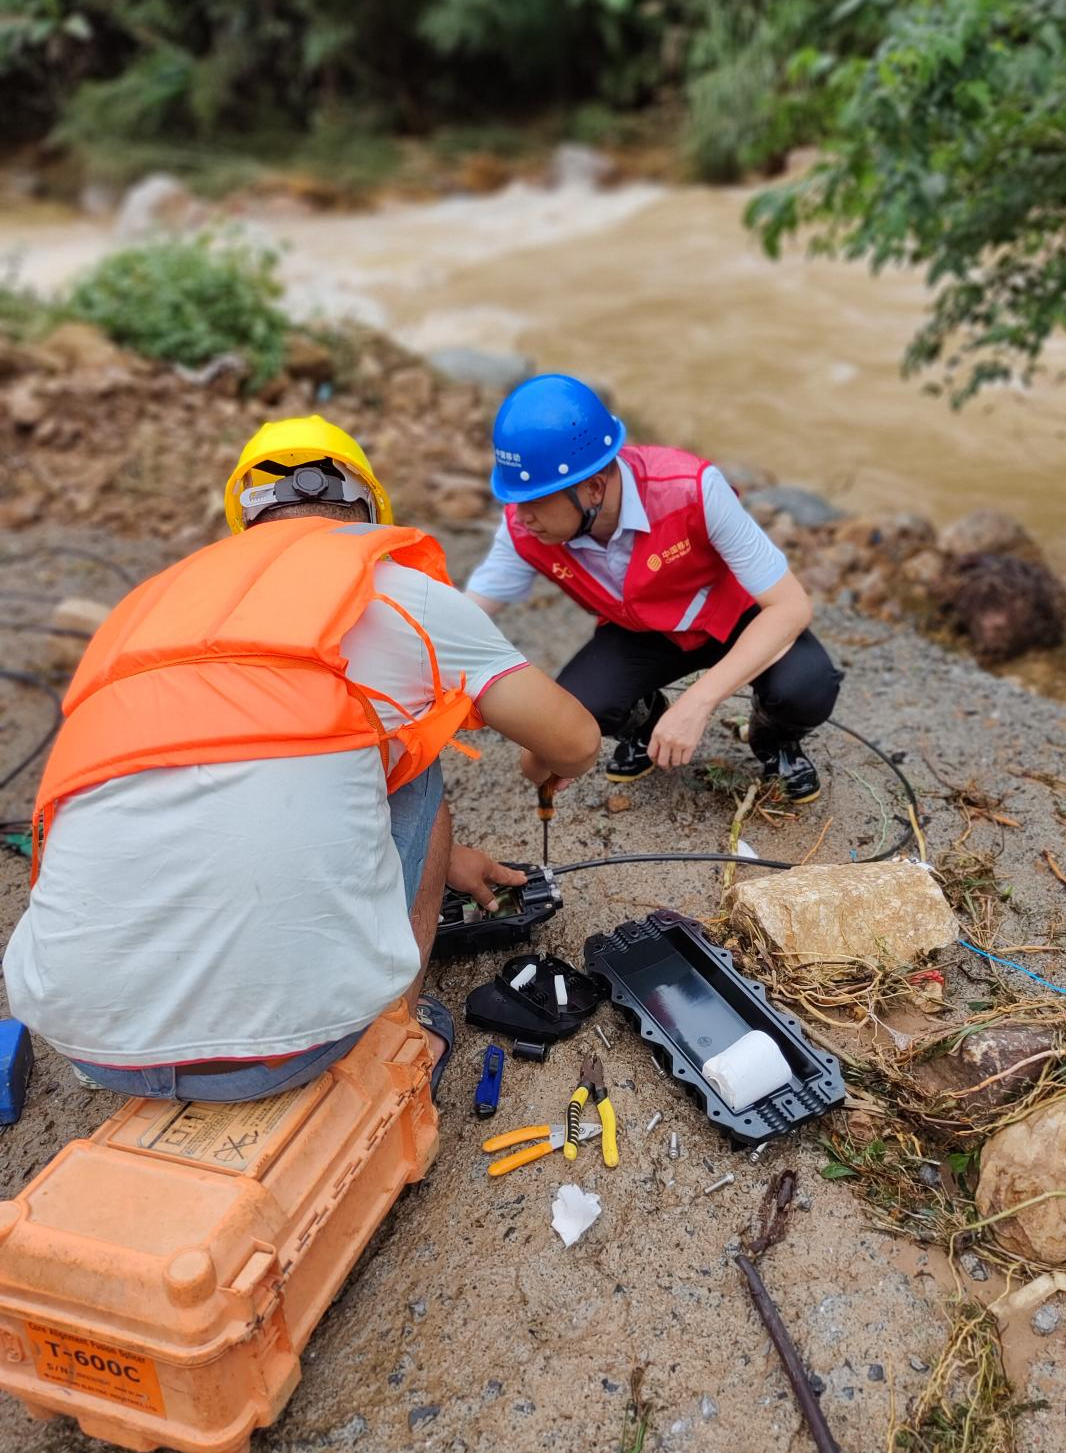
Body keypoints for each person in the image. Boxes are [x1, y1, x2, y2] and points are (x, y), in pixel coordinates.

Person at [4, 415, 599, 1102]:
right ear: (369, 515)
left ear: (248, 524)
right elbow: (575, 740)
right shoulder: (387, 588)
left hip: (86, 1043)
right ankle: (395, 1029)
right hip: (286, 1050)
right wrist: (535, 769)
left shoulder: (145, 607)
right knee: (417, 765)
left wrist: (442, 859)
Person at [466, 375, 841, 802]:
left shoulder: (691, 489)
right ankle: (646, 725)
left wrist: (699, 703)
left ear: (592, 488)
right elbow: (467, 613)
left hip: (734, 614)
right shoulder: (523, 528)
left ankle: (775, 741)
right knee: (577, 712)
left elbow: (789, 608)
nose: (521, 515)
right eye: (516, 499)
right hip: (643, 634)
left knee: (806, 687)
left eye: (535, 501)